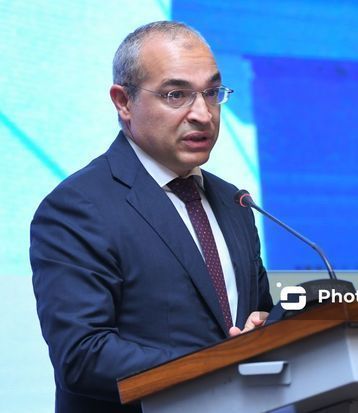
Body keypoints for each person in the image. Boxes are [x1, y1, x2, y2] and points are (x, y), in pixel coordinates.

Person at [30, 21, 273, 413]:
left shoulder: (234, 202)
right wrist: (217, 364)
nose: (203, 114)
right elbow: (82, 355)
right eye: (176, 94)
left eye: (212, 93)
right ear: (123, 102)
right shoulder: (77, 207)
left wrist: (267, 329)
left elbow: (255, 314)